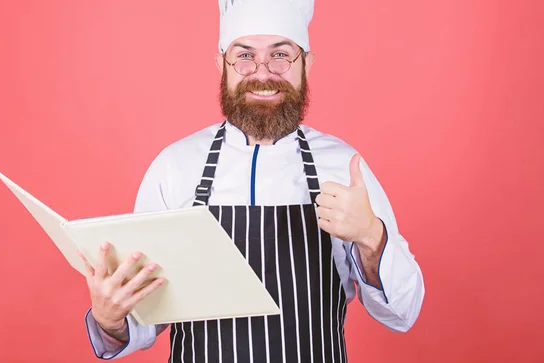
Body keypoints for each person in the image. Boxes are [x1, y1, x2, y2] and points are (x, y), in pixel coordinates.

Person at [78, 0, 425, 361]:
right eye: (244, 56)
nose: (262, 72)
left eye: (281, 55)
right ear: (221, 66)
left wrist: (371, 236)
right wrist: (109, 318)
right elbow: (143, 317)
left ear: (306, 63)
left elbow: (403, 312)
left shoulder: (343, 167)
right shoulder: (175, 167)